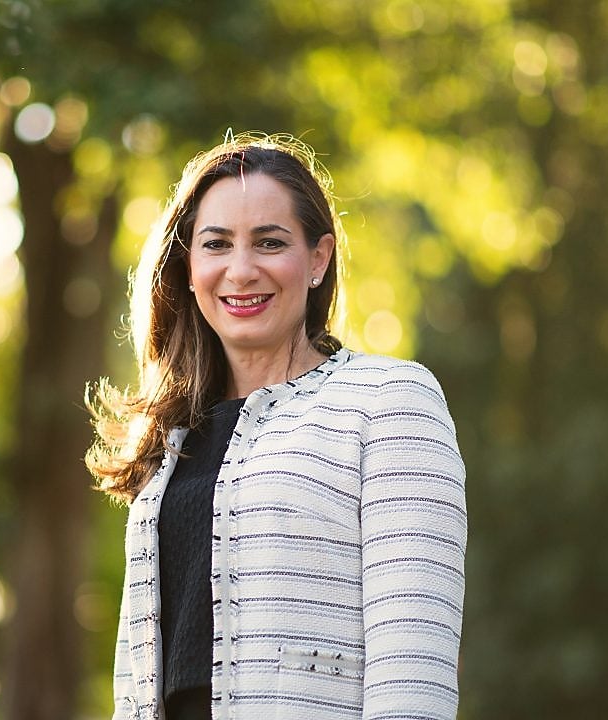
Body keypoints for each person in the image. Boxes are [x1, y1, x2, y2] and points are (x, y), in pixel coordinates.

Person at [86, 133, 466, 720]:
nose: (241, 270)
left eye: (270, 242)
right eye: (216, 244)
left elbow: (414, 664)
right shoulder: (168, 440)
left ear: (317, 260)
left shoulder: (391, 403)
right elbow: (133, 679)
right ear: (189, 266)